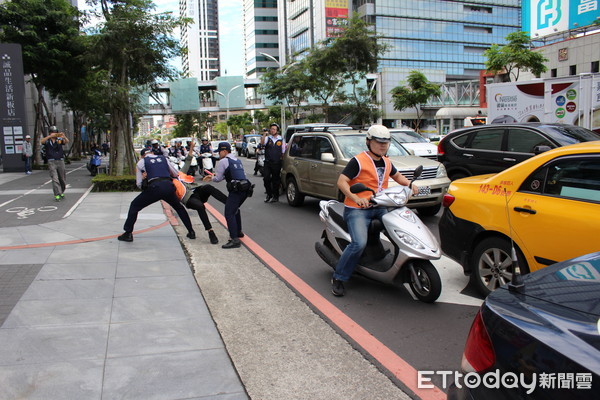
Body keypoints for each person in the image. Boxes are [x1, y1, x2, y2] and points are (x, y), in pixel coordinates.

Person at [330, 125, 419, 297]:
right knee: (358, 244)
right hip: (357, 209)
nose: (383, 145)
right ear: (369, 142)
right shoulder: (358, 161)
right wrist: (356, 198)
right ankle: (339, 277)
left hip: (379, 207)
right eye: (379, 142)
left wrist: (410, 184)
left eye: (386, 142)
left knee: (402, 229)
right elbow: (342, 182)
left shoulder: (386, 161)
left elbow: (397, 176)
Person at [118, 148, 196, 242]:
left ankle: (128, 233)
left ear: (142, 155)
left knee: (134, 206)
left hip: (154, 188)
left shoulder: (141, 163)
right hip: (168, 187)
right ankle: (191, 231)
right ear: (152, 153)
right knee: (179, 208)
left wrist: (145, 180)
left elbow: (139, 184)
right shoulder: (163, 158)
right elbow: (175, 174)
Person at [174, 139, 228, 244]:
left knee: (208, 187)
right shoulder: (167, 182)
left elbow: (188, 160)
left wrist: (191, 148)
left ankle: (228, 202)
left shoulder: (180, 173)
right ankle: (210, 231)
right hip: (188, 198)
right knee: (200, 206)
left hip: (197, 191)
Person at [203, 142, 253, 249]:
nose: (218, 154)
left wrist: (211, 177)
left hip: (236, 190)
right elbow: (233, 174)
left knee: (229, 213)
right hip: (246, 188)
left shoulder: (223, 161)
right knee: (235, 209)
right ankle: (238, 232)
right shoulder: (237, 160)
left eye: (219, 152)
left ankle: (234, 239)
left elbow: (218, 179)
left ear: (224, 151)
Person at [40, 126, 69, 201]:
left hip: (60, 160)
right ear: (50, 133)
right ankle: (57, 194)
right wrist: (49, 136)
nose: (54, 134)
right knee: (55, 178)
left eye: (55, 132)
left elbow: (66, 142)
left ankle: (61, 191)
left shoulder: (59, 140)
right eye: (52, 132)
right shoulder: (47, 140)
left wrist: (63, 136)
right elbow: (42, 141)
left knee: (62, 178)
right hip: (51, 161)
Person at [261, 122, 285, 203]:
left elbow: (283, 152)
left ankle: (275, 196)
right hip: (268, 162)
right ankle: (269, 194)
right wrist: (264, 134)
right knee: (266, 178)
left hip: (277, 162)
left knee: (276, 180)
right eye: (271, 129)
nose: (272, 130)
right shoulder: (268, 138)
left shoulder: (281, 139)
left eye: (274, 129)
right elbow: (262, 143)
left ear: (277, 130)